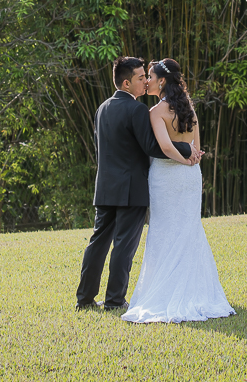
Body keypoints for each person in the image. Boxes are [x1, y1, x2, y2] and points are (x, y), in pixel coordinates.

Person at [76, 57, 201, 311]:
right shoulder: (137, 110)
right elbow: (153, 147)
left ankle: (84, 299)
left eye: (147, 76)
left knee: (98, 242)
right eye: (141, 77)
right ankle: (114, 300)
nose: (145, 82)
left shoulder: (102, 108)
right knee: (124, 245)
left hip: (105, 187)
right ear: (126, 83)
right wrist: (186, 148)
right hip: (132, 188)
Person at [122, 58, 234, 323]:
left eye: (150, 76)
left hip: (167, 176)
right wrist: (190, 161)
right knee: (188, 229)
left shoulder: (155, 112)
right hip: (190, 176)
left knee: (165, 230)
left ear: (161, 81)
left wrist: (183, 160)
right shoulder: (189, 108)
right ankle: (196, 291)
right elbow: (197, 147)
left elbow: (165, 147)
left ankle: (166, 291)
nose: (146, 81)